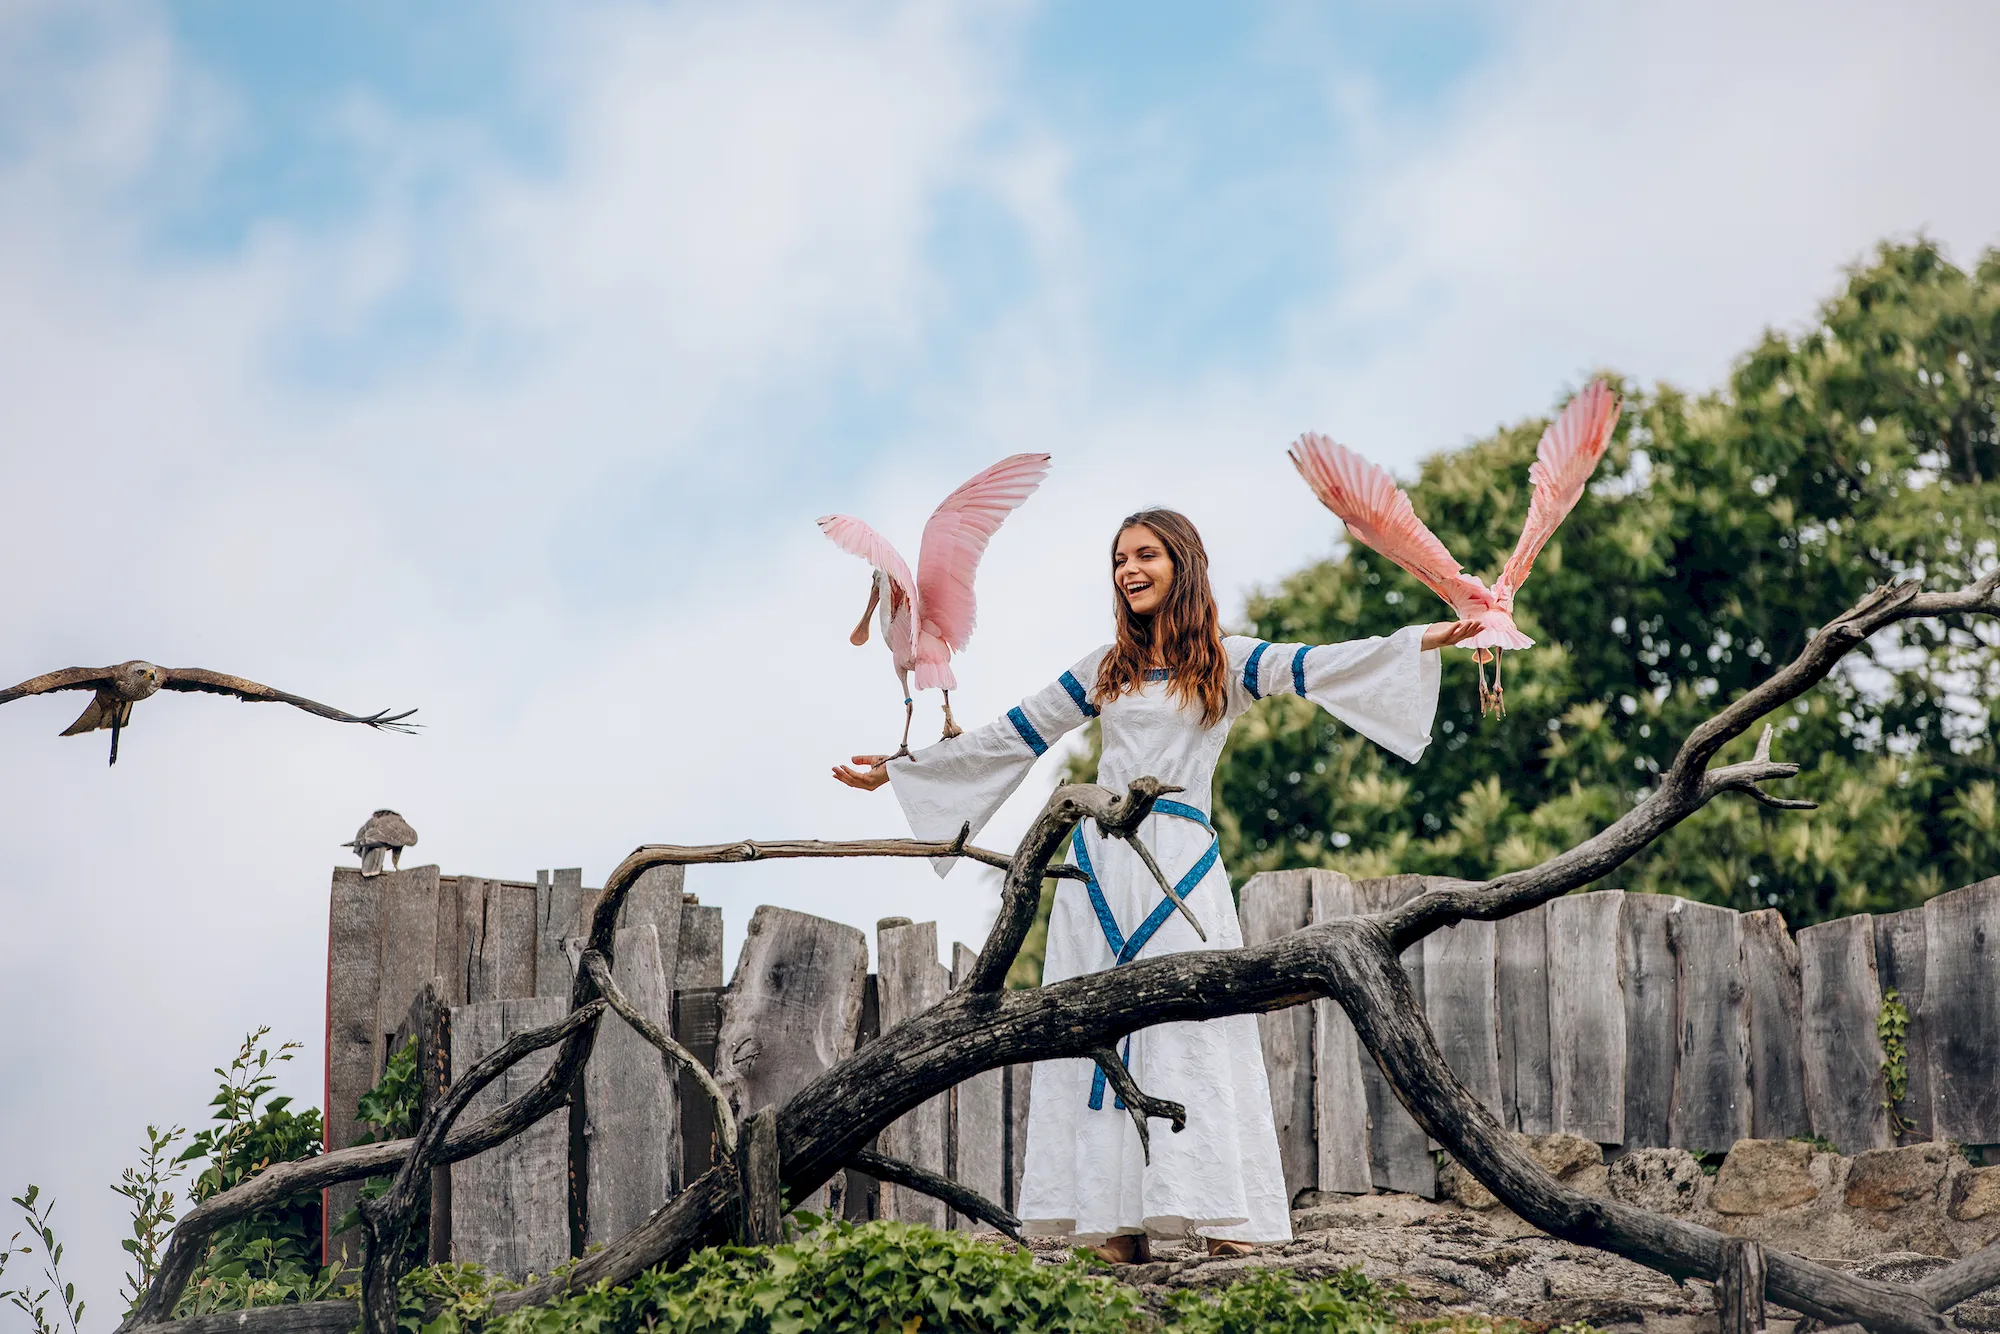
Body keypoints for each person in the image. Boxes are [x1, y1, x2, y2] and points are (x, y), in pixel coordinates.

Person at [833, 508, 1477, 1262]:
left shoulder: (1229, 663)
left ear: (1183, 564)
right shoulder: (1104, 668)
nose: (1128, 570)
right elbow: (1013, 733)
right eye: (1118, 560)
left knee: (1191, 1025)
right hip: (1098, 872)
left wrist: (1432, 637)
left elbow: (1321, 663)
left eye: (1145, 555)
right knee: (1088, 1029)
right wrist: (902, 770)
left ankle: (1217, 1214)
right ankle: (1112, 1224)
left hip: (1182, 864)